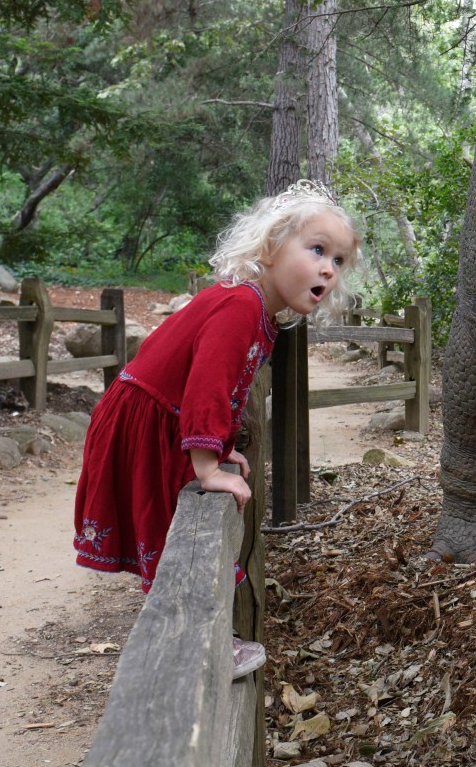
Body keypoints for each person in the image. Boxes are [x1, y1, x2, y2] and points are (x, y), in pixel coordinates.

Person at [73, 181, 356, 672]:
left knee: (178, 543)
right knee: (175, 545)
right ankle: (196, 646)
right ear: (270, 247)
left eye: (339, 260)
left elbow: (227, 389)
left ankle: (193, 639)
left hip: (157, 414)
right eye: (316, 250)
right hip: (147, 418)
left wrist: (221, 446)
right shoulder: (242, 305)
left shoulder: (257, 308)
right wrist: (207, 467)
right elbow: (207, 385)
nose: (328, 269)